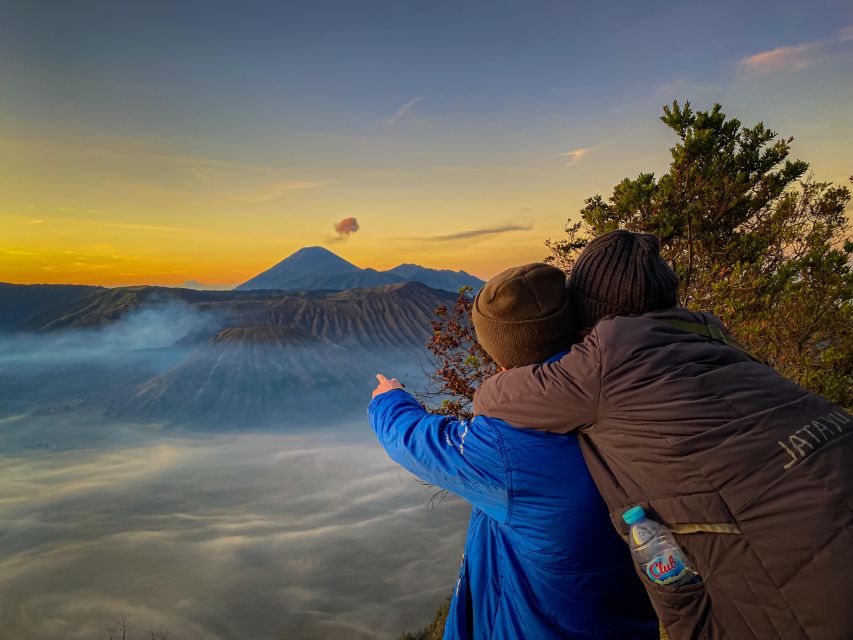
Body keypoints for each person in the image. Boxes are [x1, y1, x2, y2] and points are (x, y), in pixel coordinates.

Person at [473, 230, 853, 640]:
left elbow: (498, 397)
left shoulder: (600, 362)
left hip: (812, 569)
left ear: (589, 312)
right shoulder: (707, 332)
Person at [368, 263, 659, 640]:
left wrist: (389, 400)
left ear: (500, 354)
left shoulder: (509, 449)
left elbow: (418, 442)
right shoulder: (641, 402)